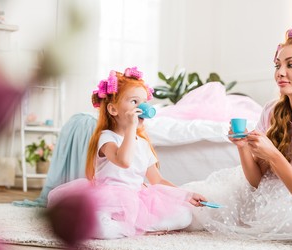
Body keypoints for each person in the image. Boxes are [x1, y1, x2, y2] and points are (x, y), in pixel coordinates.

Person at [185, 27, 292, 250]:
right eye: (278, 65)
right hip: (262, 196)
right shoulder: (271, 110)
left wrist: (274, 155)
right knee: (195, 209)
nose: (280, 72)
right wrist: (243, 147)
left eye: (290, 64)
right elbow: (256, 183)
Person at [47, 67, 206, 239]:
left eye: (144, 102)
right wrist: (131, 127)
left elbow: (157, 180)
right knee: (97, 226)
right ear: (113, 110)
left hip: (136, 201)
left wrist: (185, 195)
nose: (142, 107)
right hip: (107, 199)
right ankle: (138, 228)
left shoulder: (143, 144)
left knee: (184, 216)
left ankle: (134, 227)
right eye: (134, 102)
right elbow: (123, 161)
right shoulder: (106, 138)